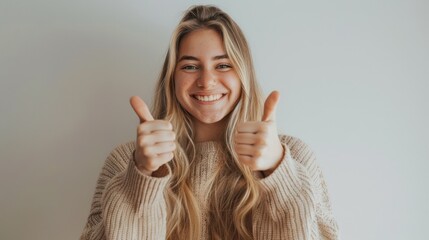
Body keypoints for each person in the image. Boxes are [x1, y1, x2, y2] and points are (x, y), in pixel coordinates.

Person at [80, 5, 339, 240]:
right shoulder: (125, 161)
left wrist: (278, 173)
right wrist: (141, 179)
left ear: (243, 74)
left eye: (223, 65)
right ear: (172, 78)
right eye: (190, 67)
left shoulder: (295, 159)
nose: (207, 81)